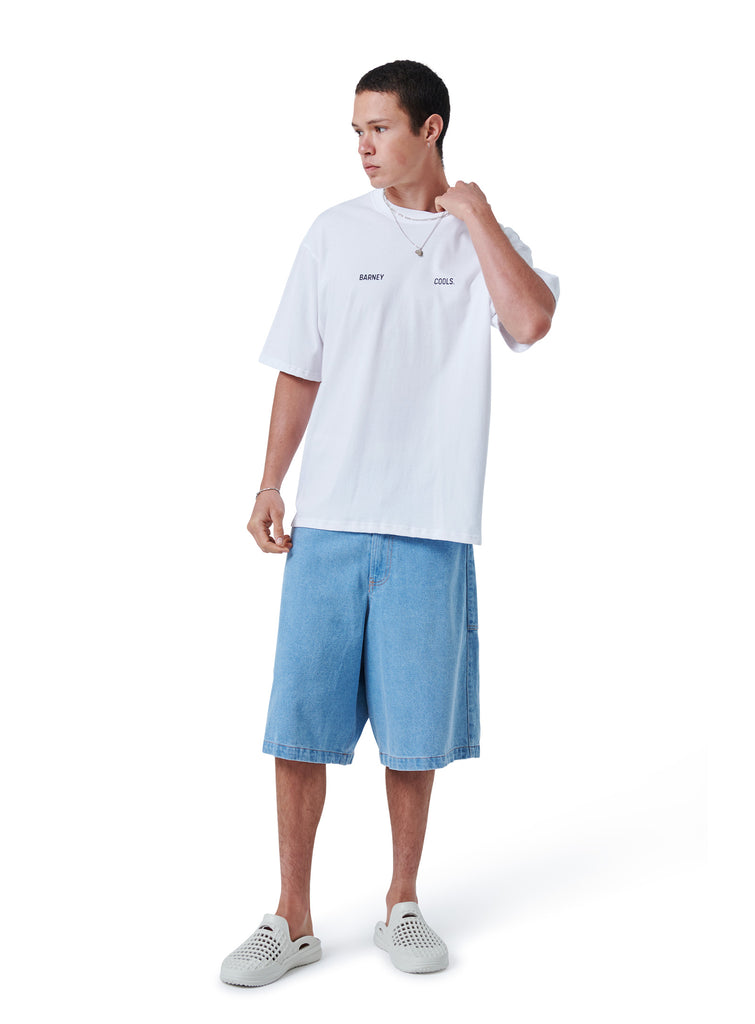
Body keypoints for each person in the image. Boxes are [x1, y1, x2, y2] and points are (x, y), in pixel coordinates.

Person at [220, 59, 559, 987]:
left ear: (429, 128)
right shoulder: (333, 233)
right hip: (330, 520)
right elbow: (301, 364)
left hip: (430, 524)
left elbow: (531, 323)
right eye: (356, 132)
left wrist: (476, 216)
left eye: (379, 129)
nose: (364, 147)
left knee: (413, 736)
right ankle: (291, 918)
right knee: (300, 725)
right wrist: (268, 482)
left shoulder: (486, 238)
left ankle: (401, 903)